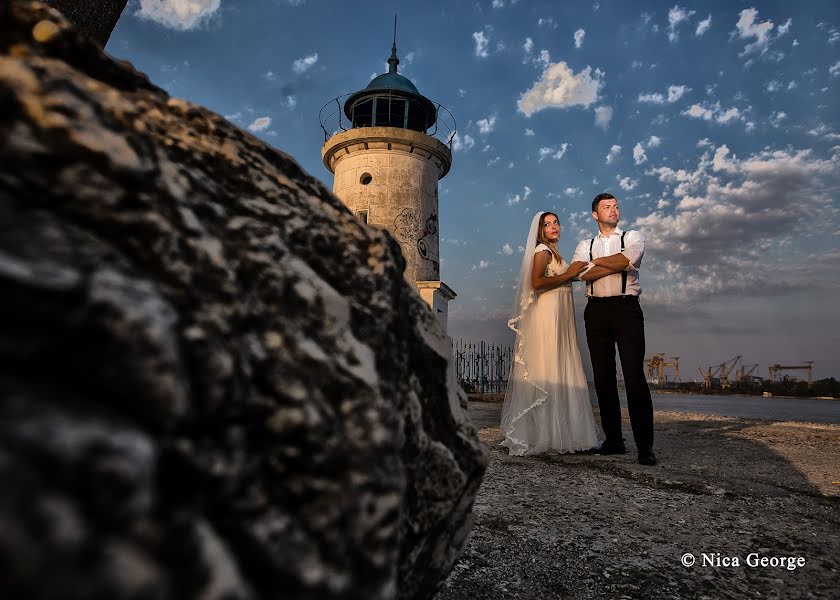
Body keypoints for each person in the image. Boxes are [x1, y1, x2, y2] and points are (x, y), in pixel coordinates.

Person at [500, 211, 605, 456]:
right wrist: (568, 274)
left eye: (556, 222)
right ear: (539, 230)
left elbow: (569, 277)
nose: (553, 226)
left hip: (560, 320)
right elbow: (536, 282)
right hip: (547, 319)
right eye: (547, 224)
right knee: (550, 368)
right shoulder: (542, 252)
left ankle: (562, 434)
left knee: (560, 367)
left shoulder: (555, 252)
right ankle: (545, 435)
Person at [572, 193, 657, 466]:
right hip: (595, 311)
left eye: (616, 206)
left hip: (626, 309)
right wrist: (606, 264)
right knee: (603, 378)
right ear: (595, 214)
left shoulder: (633, 237)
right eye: (607, 207)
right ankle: (614, 441)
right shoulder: (585, 243)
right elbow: (579, 274)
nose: (613, 210)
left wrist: (595, 263)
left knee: (634, 377)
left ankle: (645, 447)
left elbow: (626, 261)